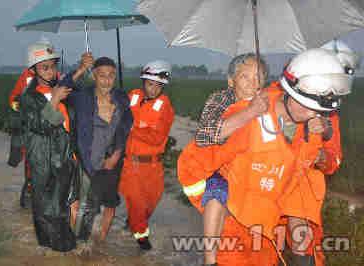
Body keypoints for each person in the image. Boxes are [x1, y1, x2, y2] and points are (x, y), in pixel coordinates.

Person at [178, 48, 353, 266]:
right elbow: (194, 162)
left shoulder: (312, 127)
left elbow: (306, 175)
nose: (315, 115)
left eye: (257, 77)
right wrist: (217, 202)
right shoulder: (247, 115)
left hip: (268, 235)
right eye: (311, 109)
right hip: (235, 234)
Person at [195, 53, 269, 266]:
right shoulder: (221, 99)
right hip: (226, 169)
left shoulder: (271, 100)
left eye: (259, 76)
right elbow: (205, 134)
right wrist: (251, 111)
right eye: (245, 77)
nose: (253, 83)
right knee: (216, 194)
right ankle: (210, 261)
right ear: (231, 80)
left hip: (262, 172)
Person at [64, 54, 133, 243]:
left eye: (111, 75)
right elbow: (61, 89)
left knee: (110, 203)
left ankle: (100, 242)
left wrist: (117, 154)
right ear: (94, 76)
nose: (107, 80)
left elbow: (125, 127)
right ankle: (78, 244)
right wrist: (80, 69)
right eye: (102, 75)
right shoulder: (82, 97)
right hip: (88, 161)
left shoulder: (121, 98)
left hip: (112, 160)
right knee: (84, 205)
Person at [18, 41, 77, 253]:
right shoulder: (28, 97)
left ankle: (59, 247)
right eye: (45, 67)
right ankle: (53, 248)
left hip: (62, 156)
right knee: (44, 207)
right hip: (42, 158)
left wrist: (81, 68)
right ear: (33, 70)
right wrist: (54, 100)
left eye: (53, 66)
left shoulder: (58, 88)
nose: (51, 71)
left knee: (59, 204)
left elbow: (68, 123)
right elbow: (41, 125)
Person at [119, 60, 175, 250]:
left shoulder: (165, 108)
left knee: (151, 202)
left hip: (153, 165)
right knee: (135, 202)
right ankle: (142, 240)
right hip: (130, 164)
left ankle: (135, 222)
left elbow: (157, 138)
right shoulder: (132, 96)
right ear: (143, 82)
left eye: (158, 86)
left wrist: (133, 127)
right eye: (150, 84)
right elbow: (118, 115)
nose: (153, 89)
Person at [7, 68, 35, 209]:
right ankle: (29, 191)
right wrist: (21, 109)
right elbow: (13, 100)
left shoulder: (57, 77)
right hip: (29, 129)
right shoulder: (26, 77)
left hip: (50, 128)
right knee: (30, 164)